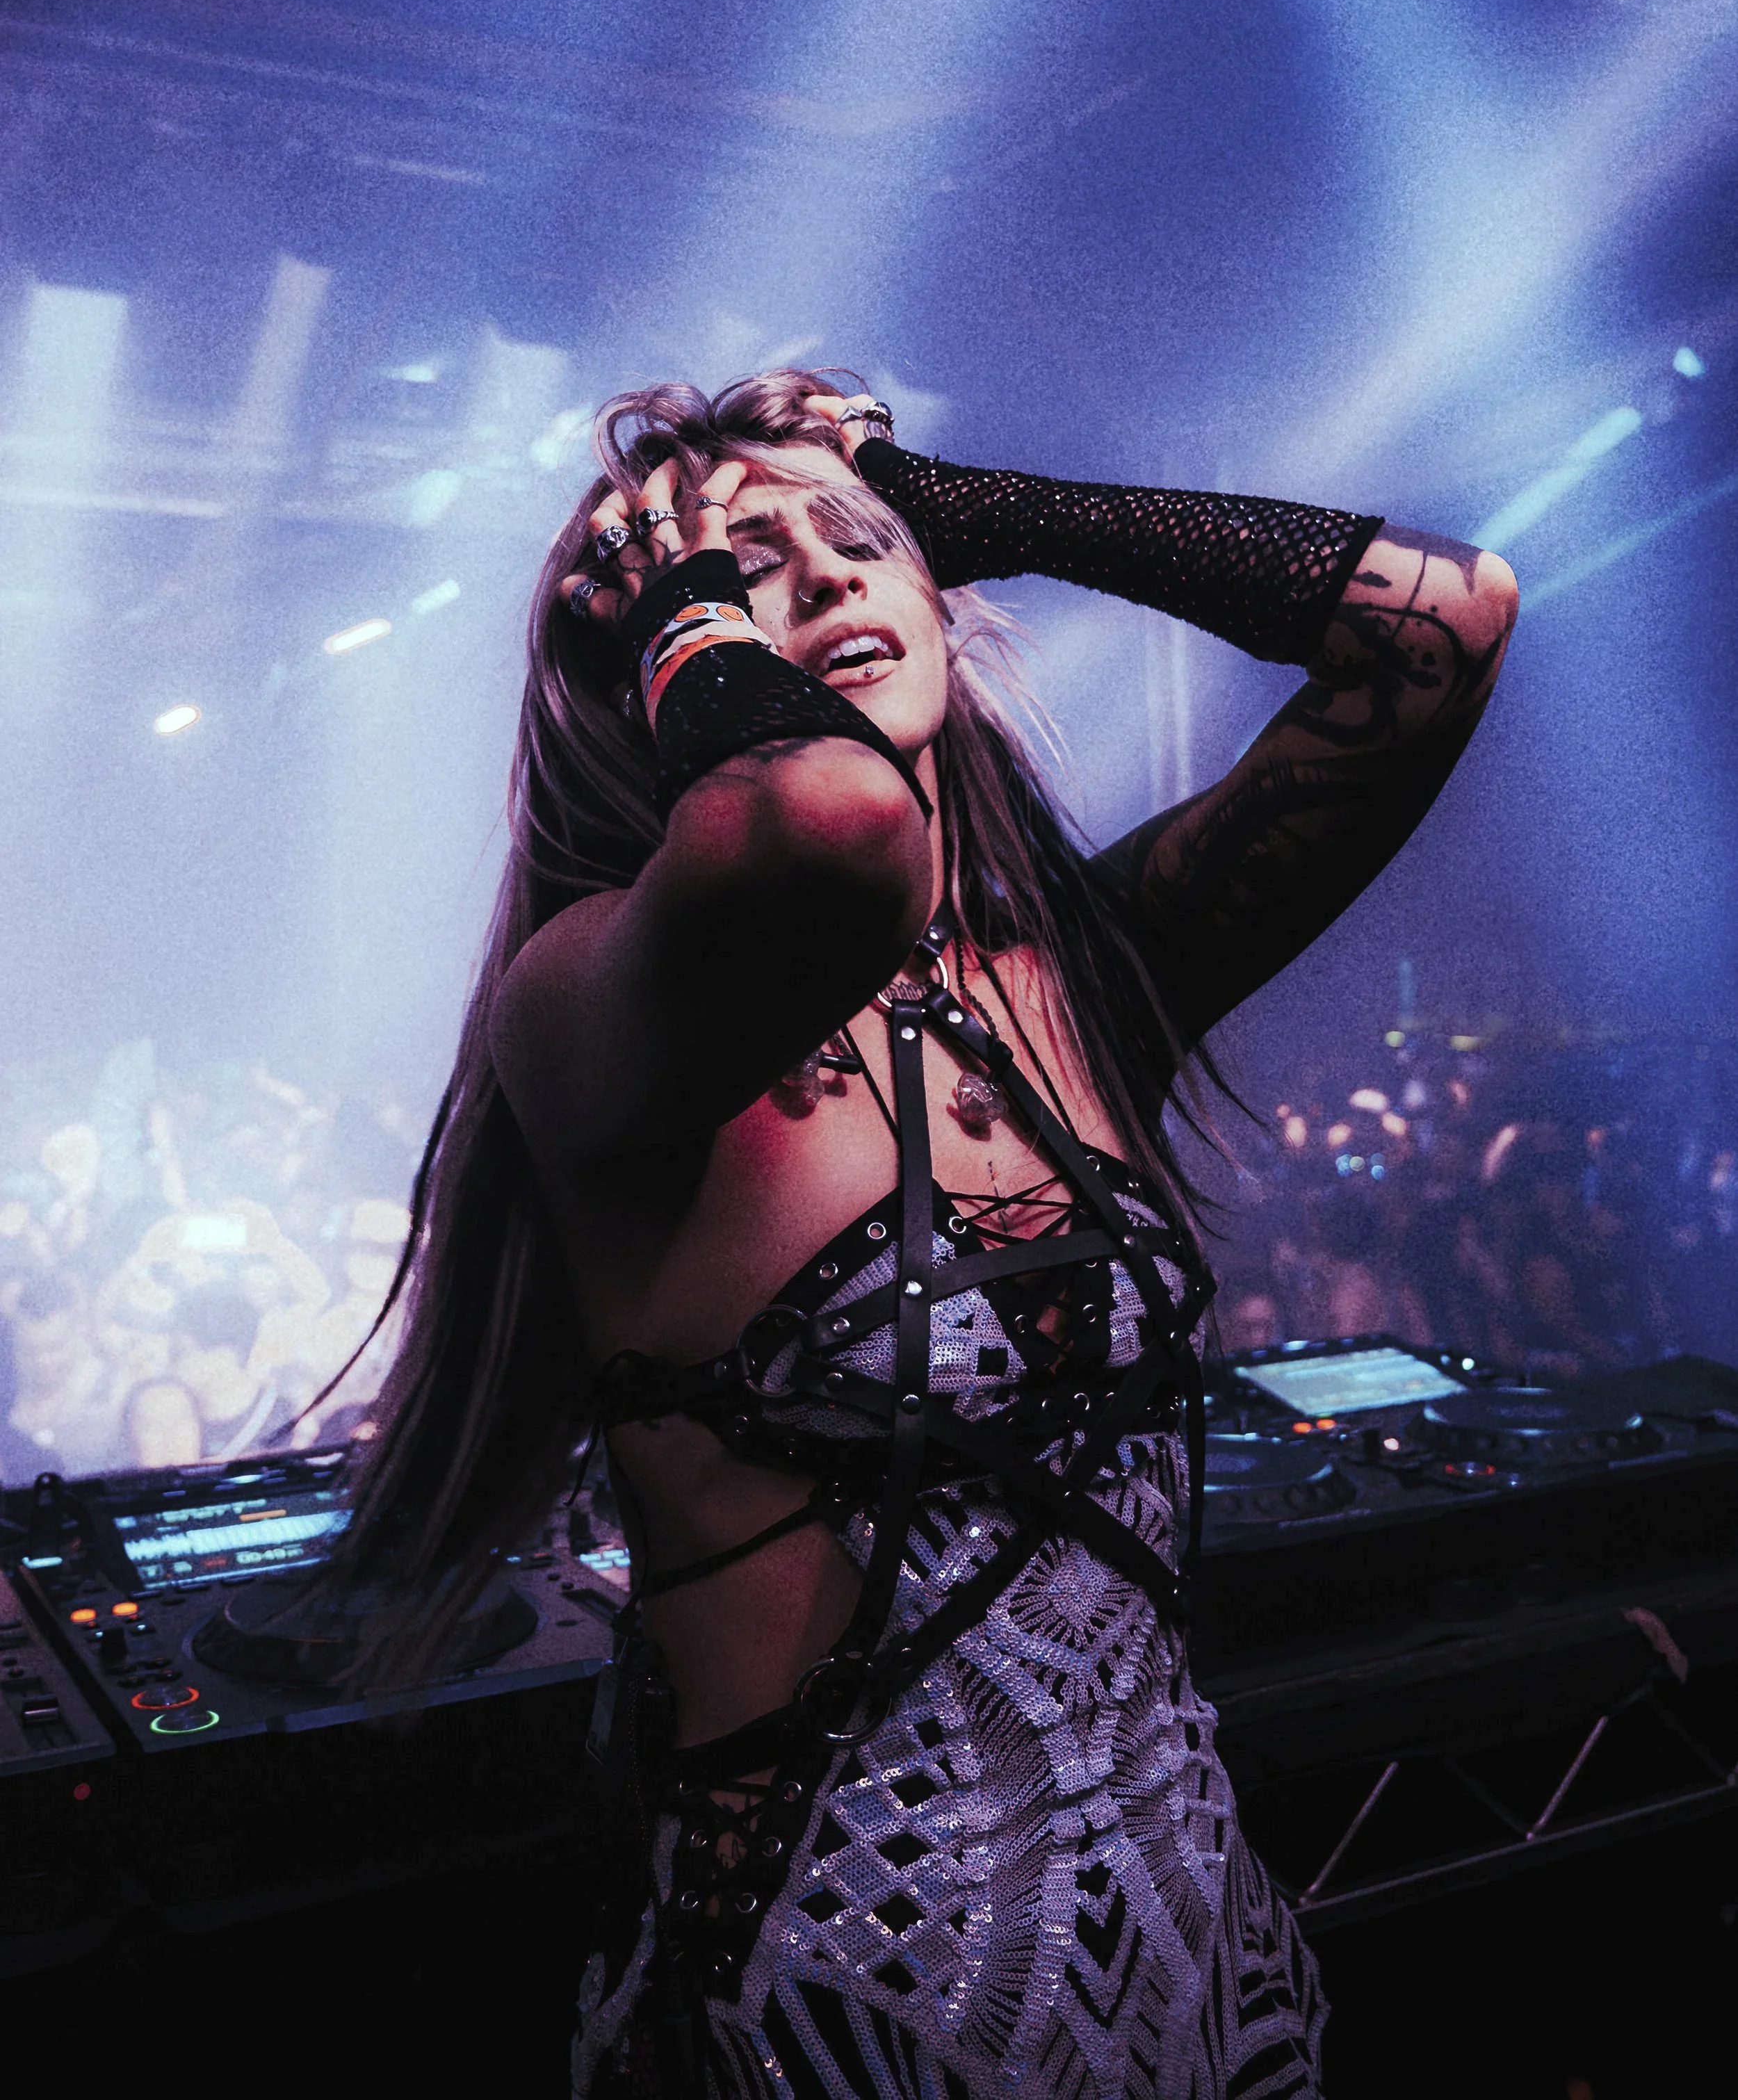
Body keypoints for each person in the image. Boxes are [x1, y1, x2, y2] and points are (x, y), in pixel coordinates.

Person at [332, 371, 1516, 2099]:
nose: (821, 575)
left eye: (861, 549)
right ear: (663, 656)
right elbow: (827, 827)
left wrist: (946, 497)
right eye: (749, 568)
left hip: (1205, 1968)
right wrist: (701, 603)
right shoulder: (592, 1001)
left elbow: (1441, 618)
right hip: (841, 2004)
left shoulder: (1081, 983)